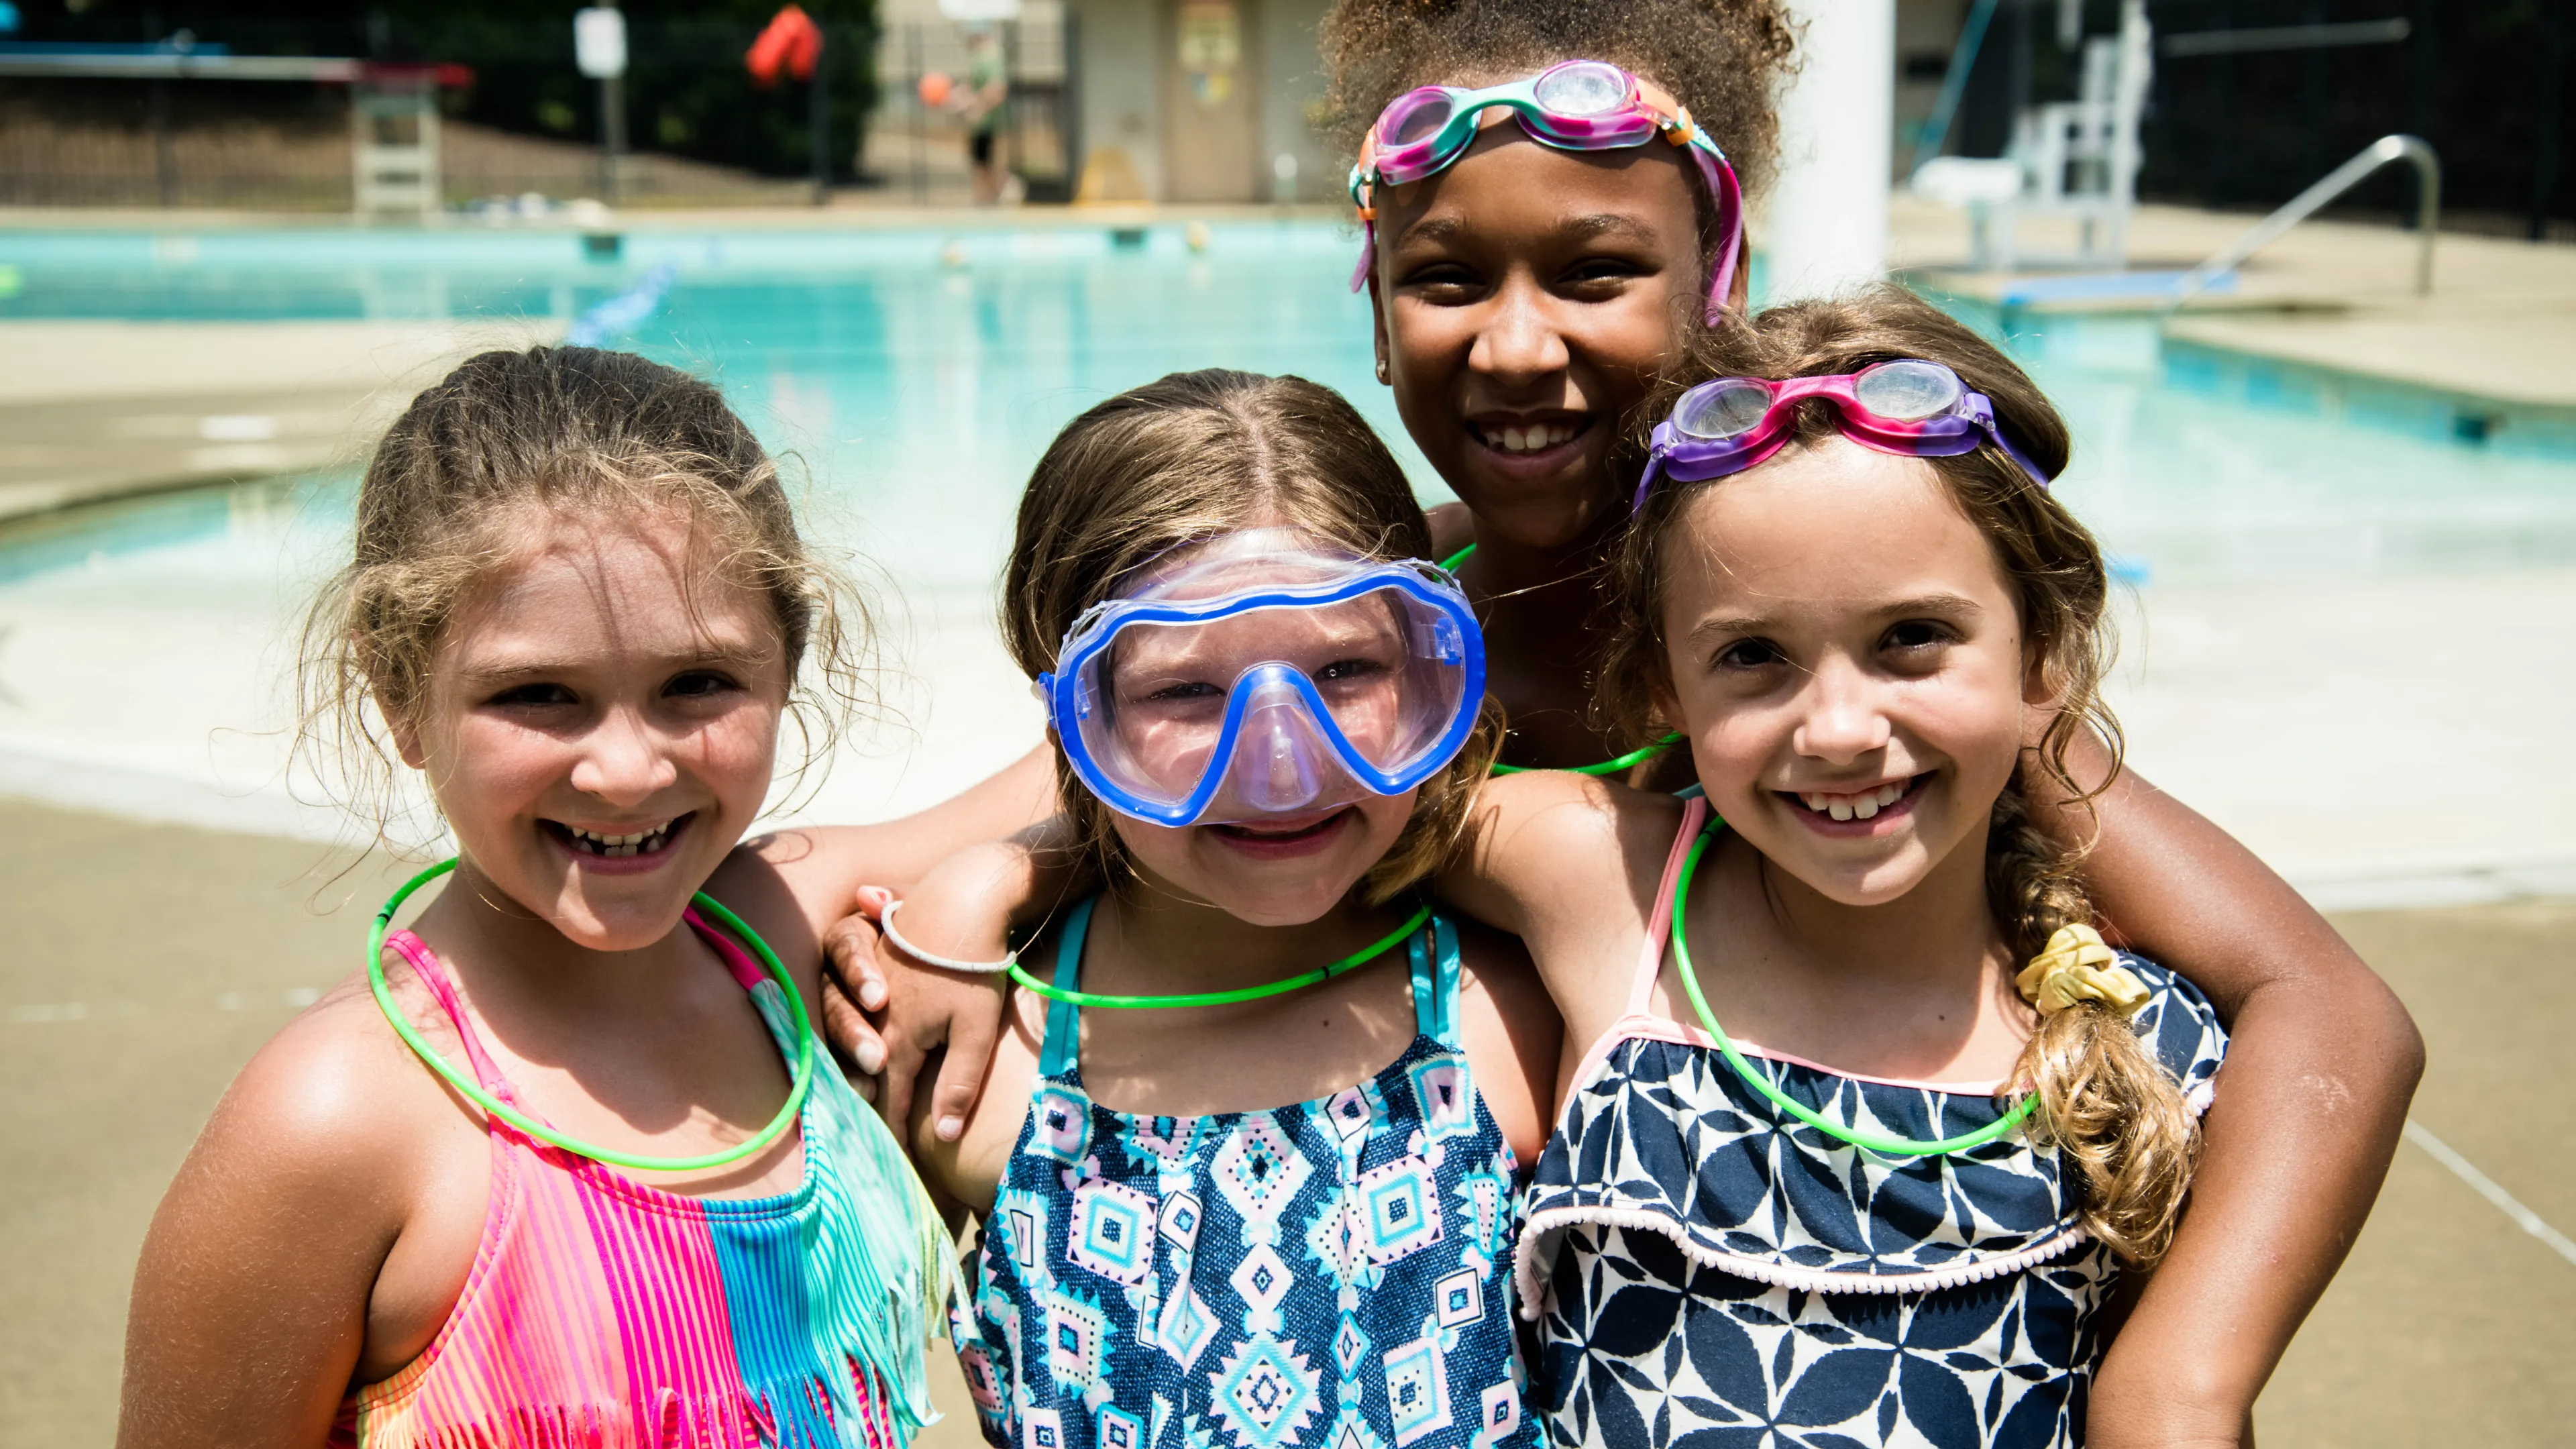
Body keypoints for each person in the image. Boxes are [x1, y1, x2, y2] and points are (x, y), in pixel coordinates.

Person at [833, 7, 2422, 1442]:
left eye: (1592, 272)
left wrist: (2176, 1375)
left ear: (1712, 283)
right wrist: (996, 883)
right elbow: (1056, 809)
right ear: (1376, 312)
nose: (1516, 342)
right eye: (1449, 279)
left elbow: (2324, 1005)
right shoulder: (1346, 642)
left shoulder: (1834, 639)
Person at [117, 347, 950, 1448]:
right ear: (399, 691)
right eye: (538, 695)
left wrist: (988, 883)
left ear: (785, 664)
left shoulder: (765, 939)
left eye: (697, 684)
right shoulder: (342, 1123)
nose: (627, 771)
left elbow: (1106, 765)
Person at [1444, 288, 2233, 1444]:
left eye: (1912, 638)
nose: (1841, 730)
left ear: (2043, 659)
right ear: (1666, 685)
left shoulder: (2157, 1056)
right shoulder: (1608, 889)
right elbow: (1302, 800)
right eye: (1754, 656)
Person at [902, 370, 1559, 1449]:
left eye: (1345, 668)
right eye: (1185, 692)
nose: (1284, 768)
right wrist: (982, 881)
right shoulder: (970, 1061)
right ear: (1074, 714)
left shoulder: (1517, 1008)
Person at [959, 25, 1011, 205]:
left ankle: (996, 197)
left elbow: (998, 89)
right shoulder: (978, 56)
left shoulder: (990, 56)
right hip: (980, 123)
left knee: (986, 166)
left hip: (988, 122)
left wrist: (978, 106)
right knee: (980, 164)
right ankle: (987, 201)